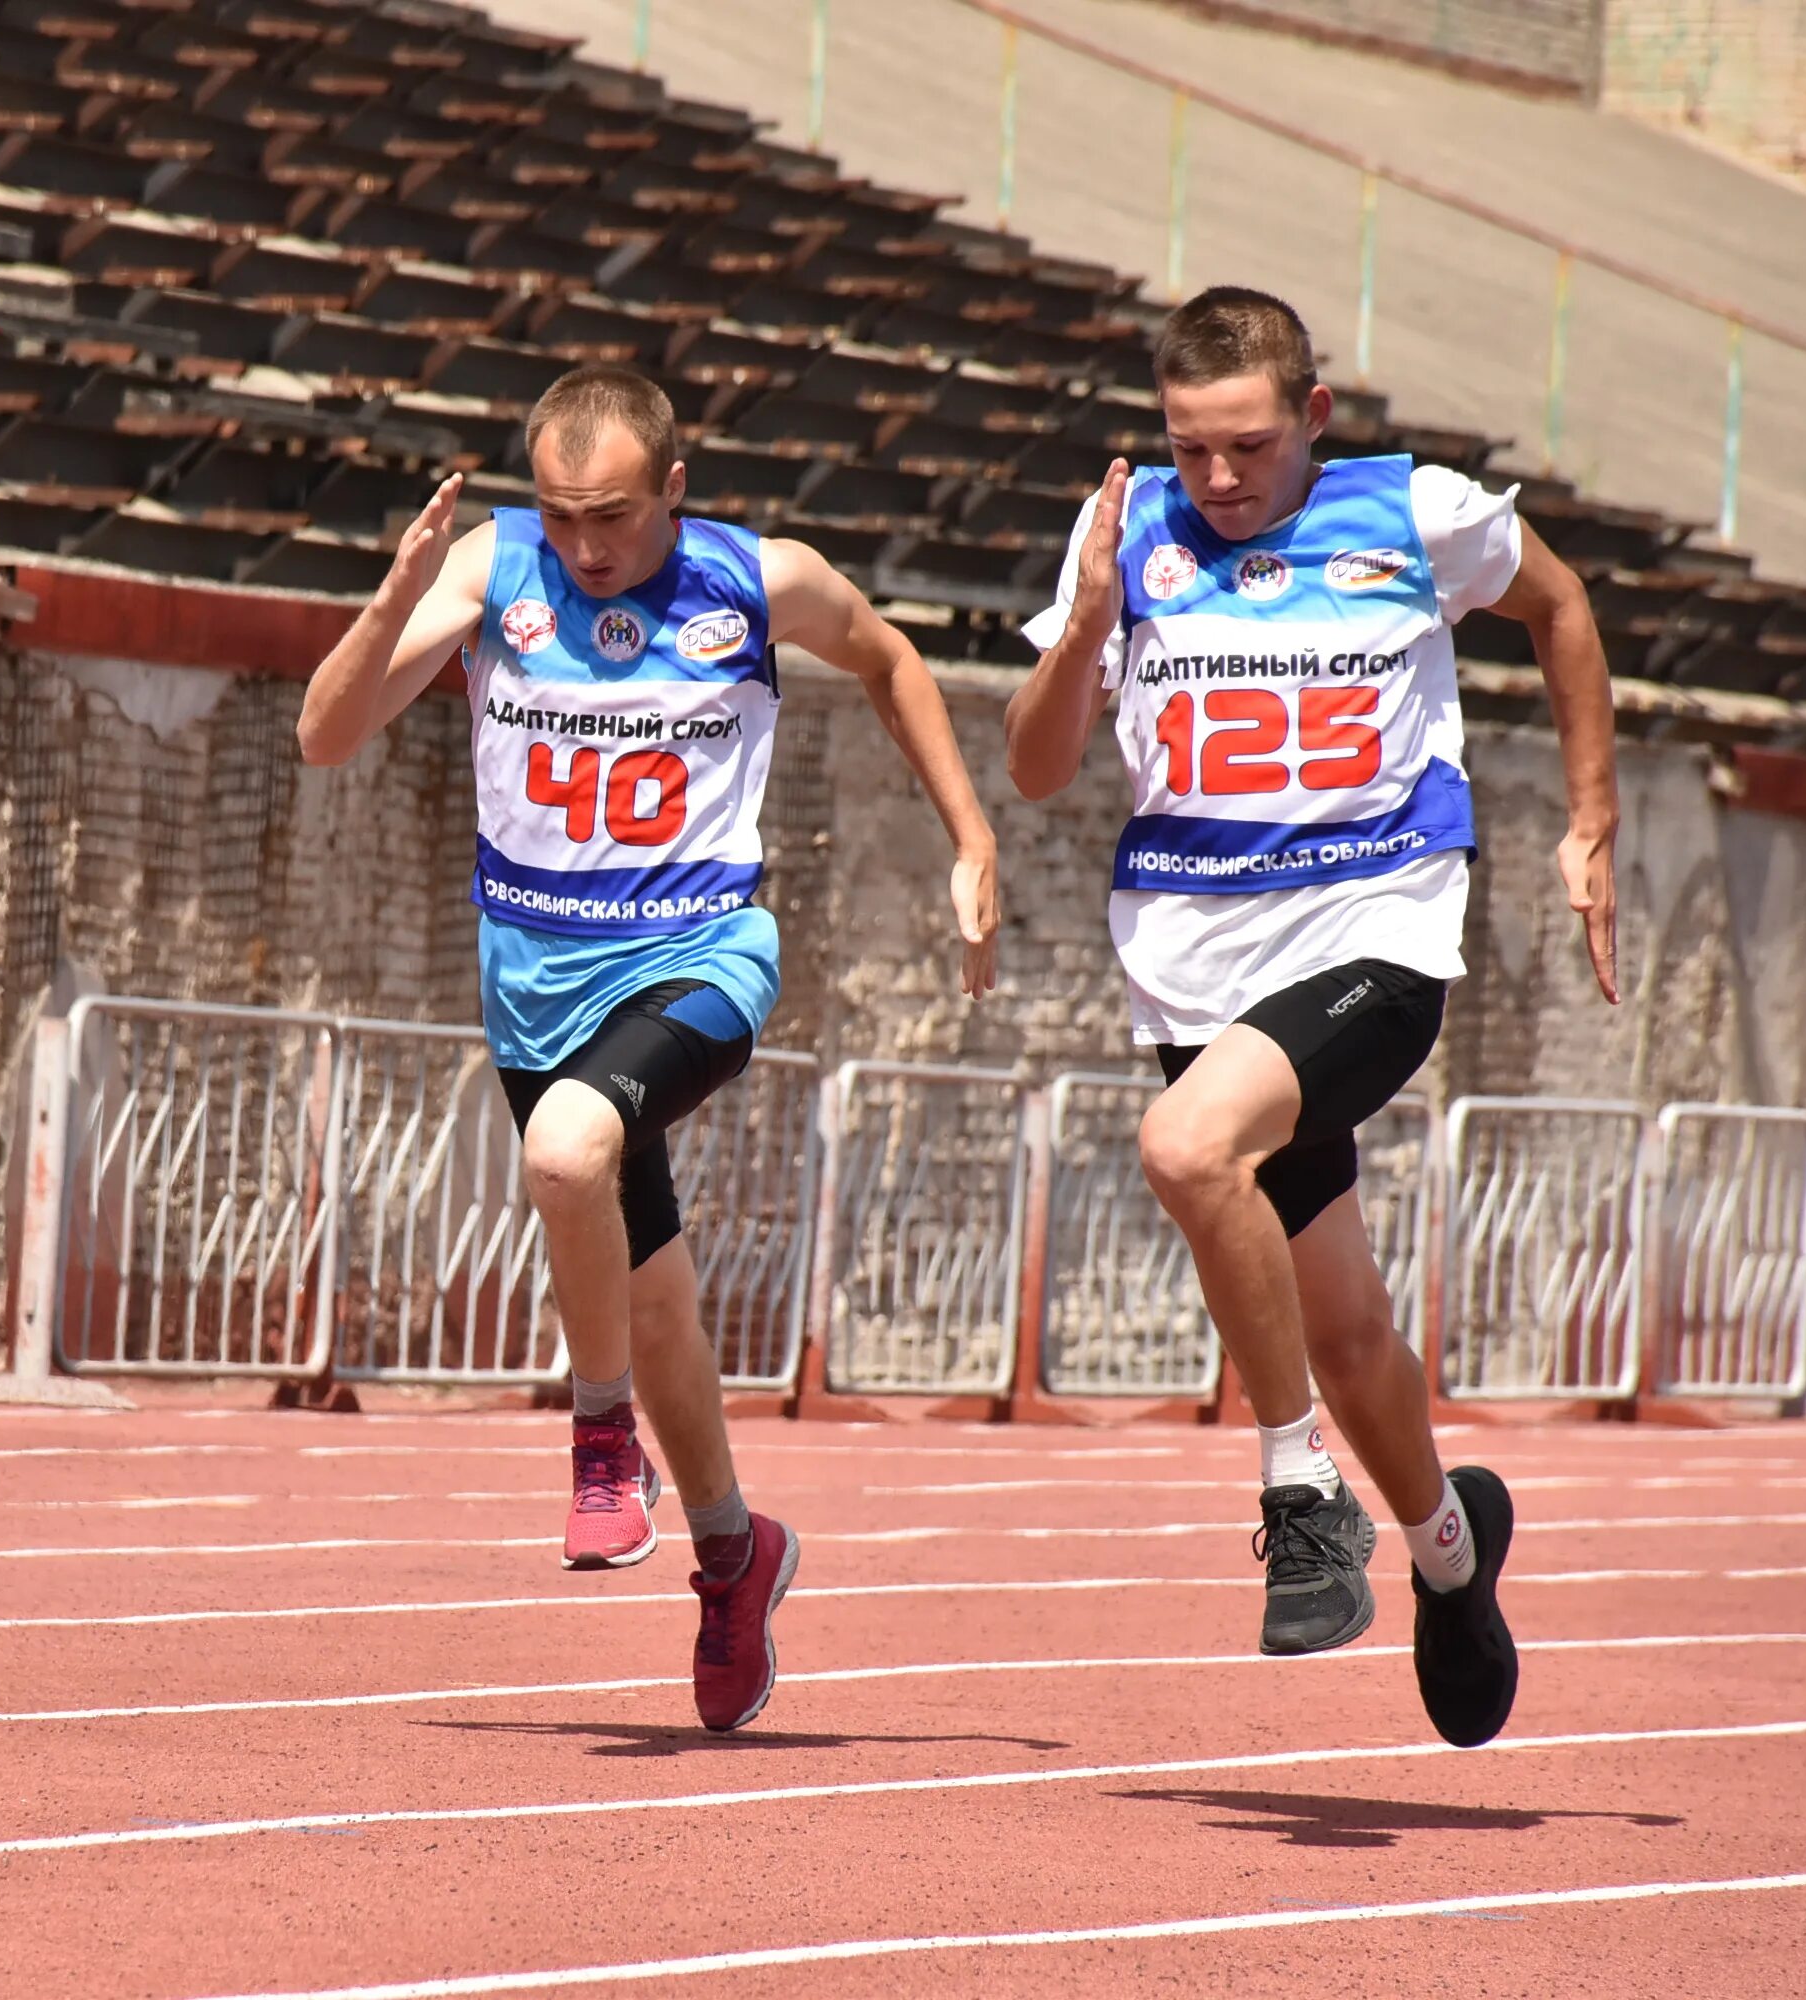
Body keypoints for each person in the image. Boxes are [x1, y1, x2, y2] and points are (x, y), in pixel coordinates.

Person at [300, 365, 1001, 1732]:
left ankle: (599, 1436)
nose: (586, 548)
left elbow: (889, 657)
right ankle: (737, 1554)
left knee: (570, 1151)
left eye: (612, 515)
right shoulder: (492, 570)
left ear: (673, 489)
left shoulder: (756, 581)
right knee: (662, 1298)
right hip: (537, 986)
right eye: (562, 517)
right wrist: (397, 605)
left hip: (699, 960)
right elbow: (325, 736)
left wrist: (972, 842)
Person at [1004, 287, 1619, 1748]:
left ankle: (1300, 1494)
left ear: (1316, 420)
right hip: (1196, 972)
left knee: (1183, 1143)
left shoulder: (1415, 513)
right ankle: (1452, 1557)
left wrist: (1591, 820)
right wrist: (1084, 622)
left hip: (1376, 939)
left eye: (1250, 447)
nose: (1218, 479)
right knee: (1348, 1336)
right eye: (1190, 447)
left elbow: (1563, 607)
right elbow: (1037, 770)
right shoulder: (1127, 538)